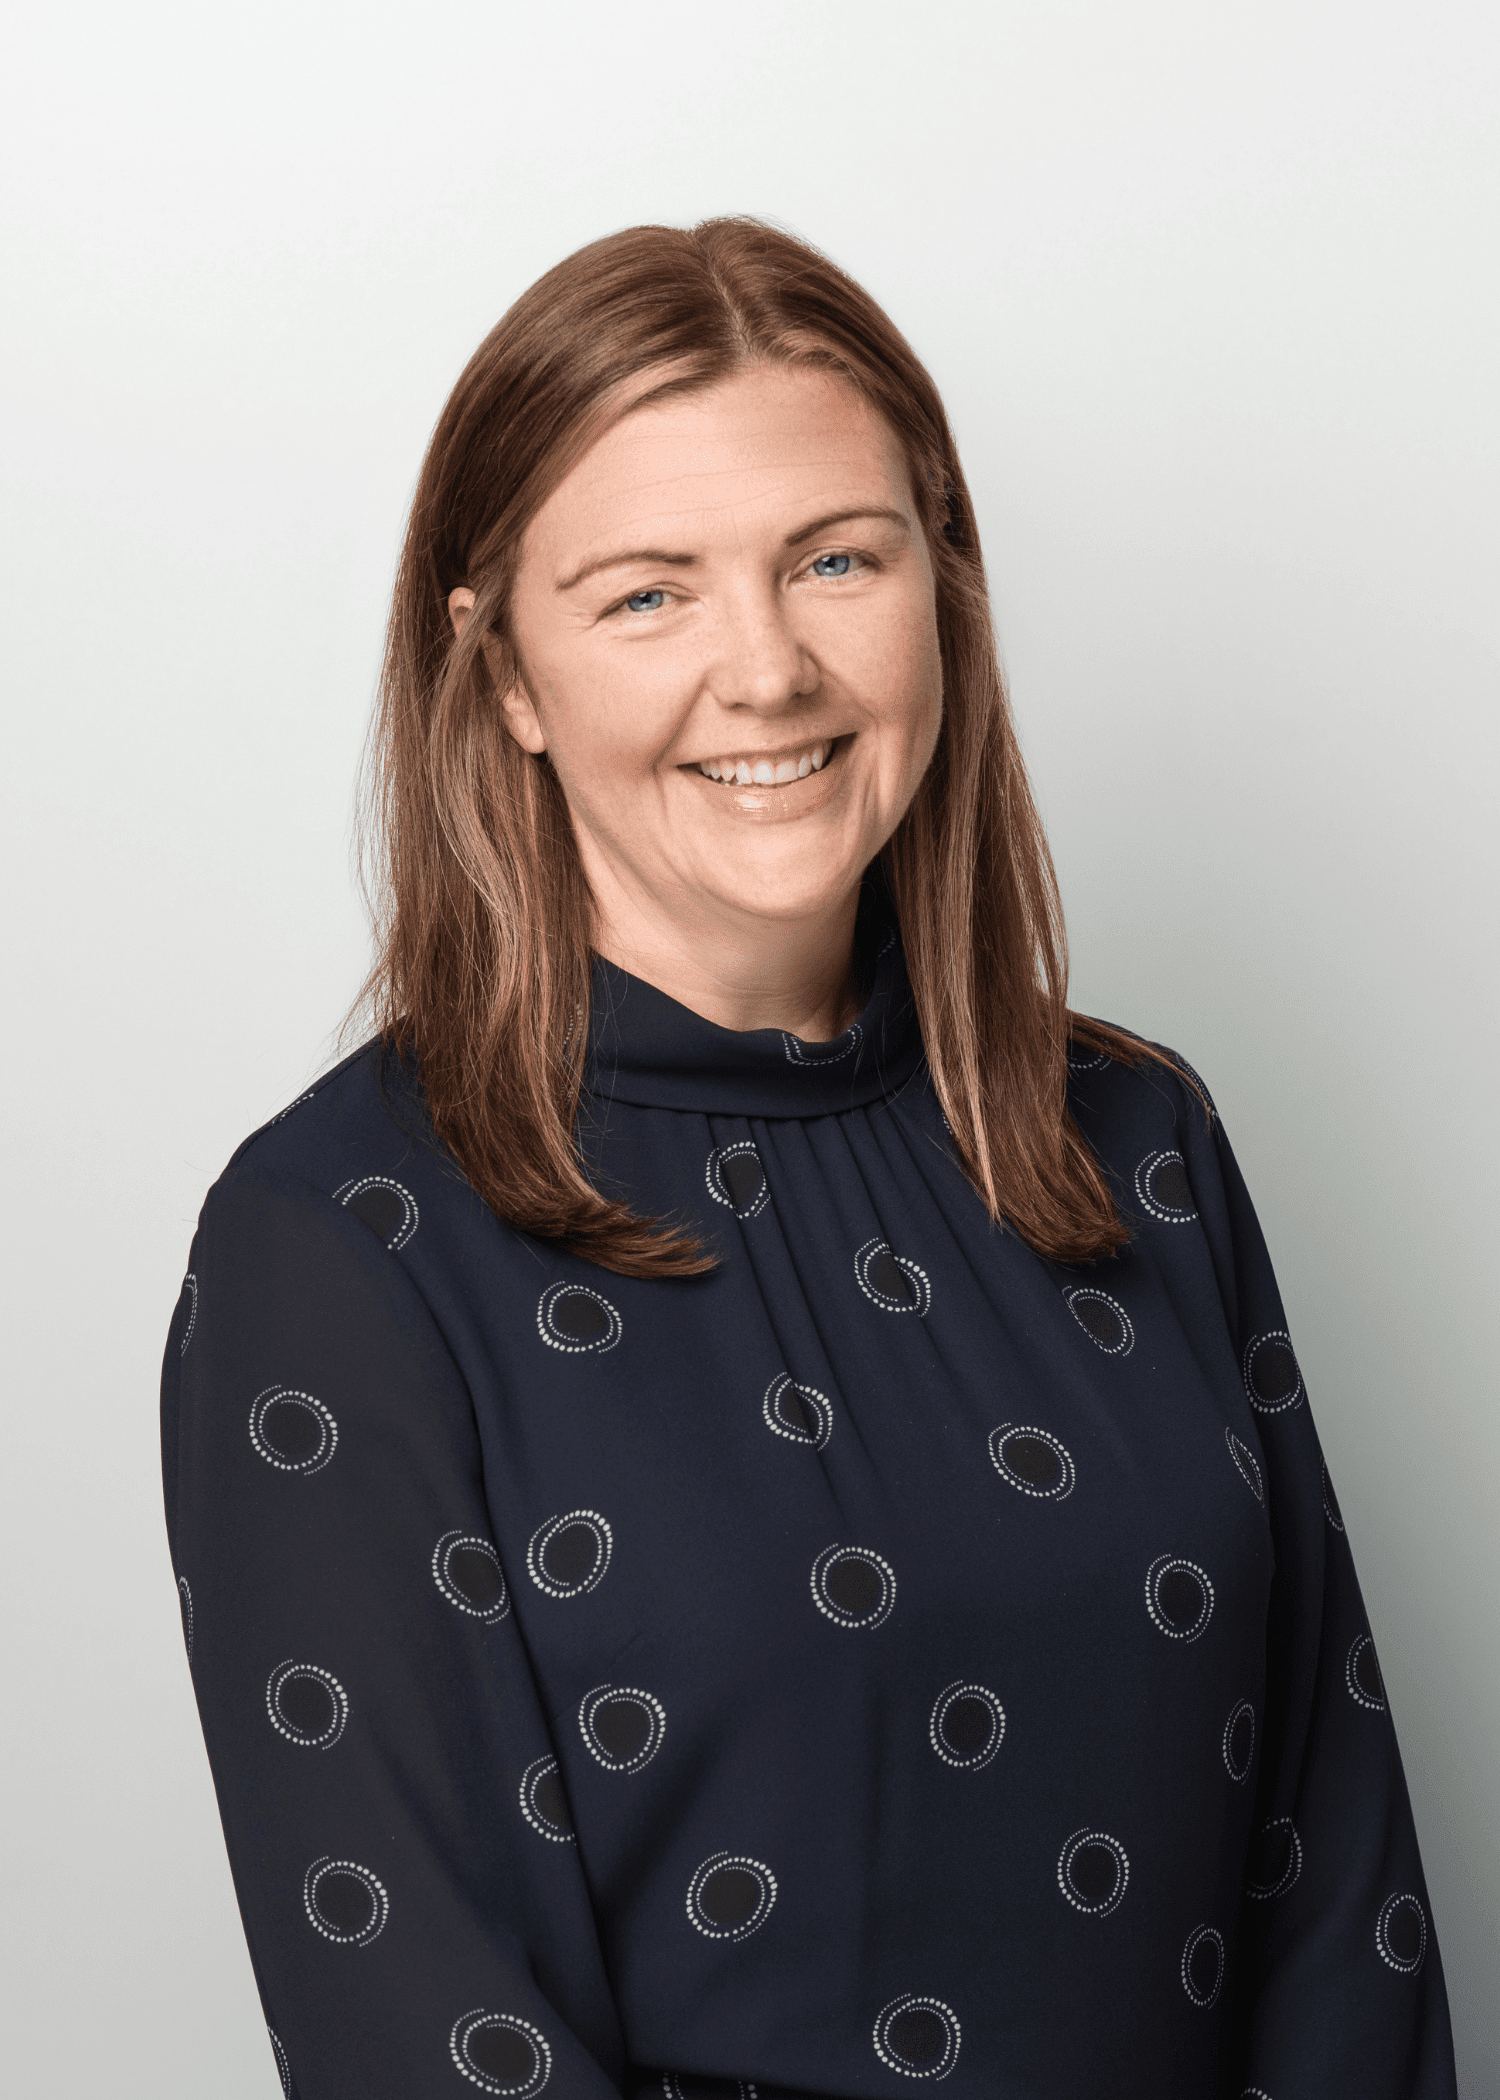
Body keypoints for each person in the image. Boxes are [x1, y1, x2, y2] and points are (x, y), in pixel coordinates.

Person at [160, 218, 1456, 2100]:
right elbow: (431, 2035)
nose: (766, 670)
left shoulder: (1141, 1141)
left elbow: (1340, 1896)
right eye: (645, 597)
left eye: (834, 560)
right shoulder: (340, 1252)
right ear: (503, 672)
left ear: (943, 586)